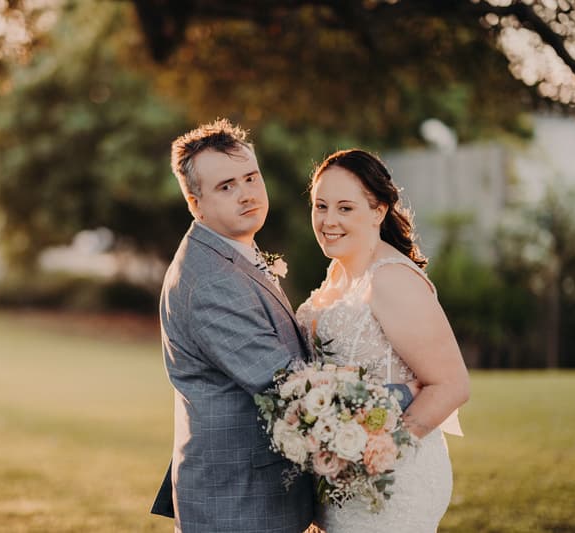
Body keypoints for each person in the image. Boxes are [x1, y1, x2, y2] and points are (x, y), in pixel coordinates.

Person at [150, 121, 418, 532]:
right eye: (226, 186)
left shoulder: (229, 254)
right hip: (239, 505)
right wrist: (404, 392)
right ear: (195, 203)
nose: (247, 194)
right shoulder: (208, 282)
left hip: (258, 495)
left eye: (251, 177)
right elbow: (290, 386)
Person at [296, 149, 470, 532]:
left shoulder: (391, 279)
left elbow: (452, 384)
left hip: (391, 483)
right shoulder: (339, 271)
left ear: (378, 211)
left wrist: (382, 450)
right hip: (342, 478)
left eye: (345, 208)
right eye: (320, 206)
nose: (328, 221)